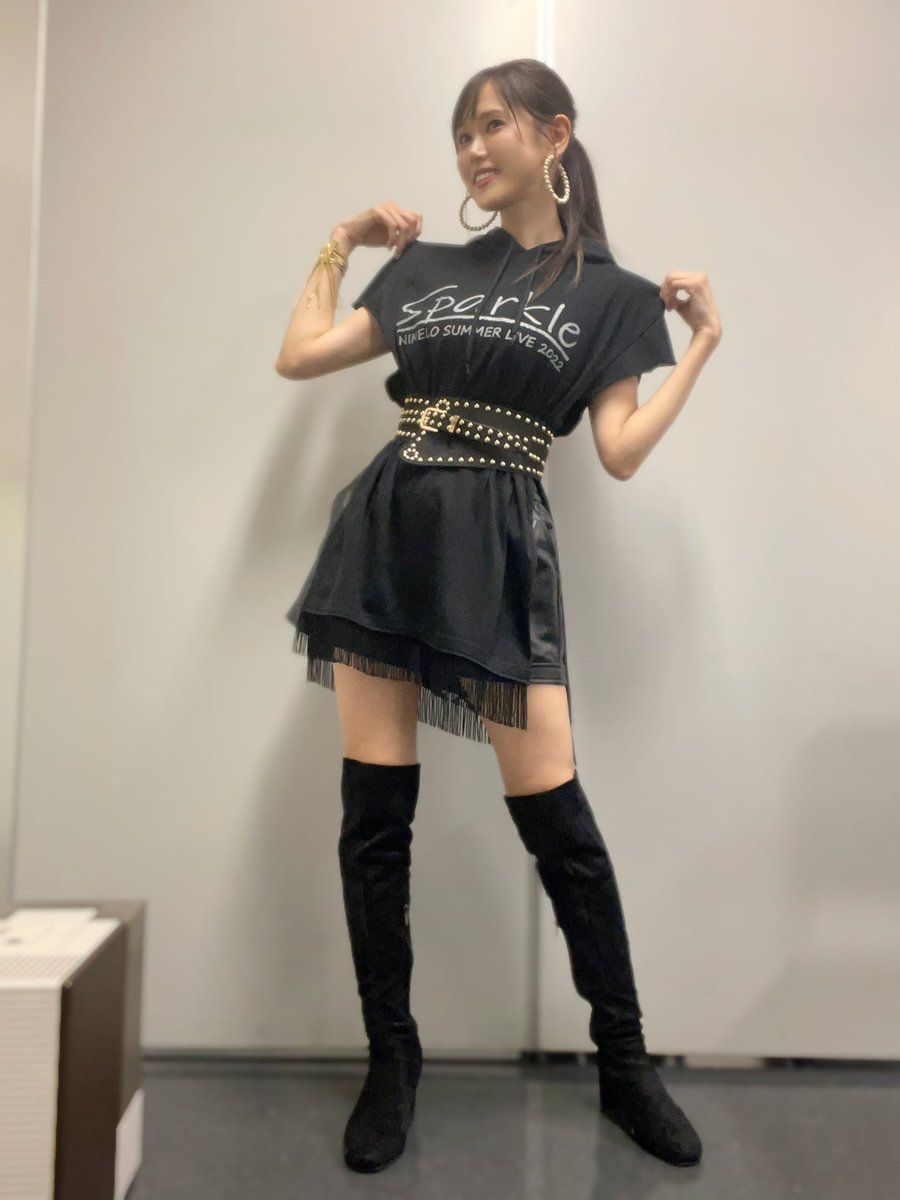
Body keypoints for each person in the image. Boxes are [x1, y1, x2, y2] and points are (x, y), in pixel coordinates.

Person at [275, 58, 722, 1175]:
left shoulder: (614, 297)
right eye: (461, 133)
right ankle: (393, 1059)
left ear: (554, 134)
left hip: (500, 552)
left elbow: (618, 453)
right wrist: (342, 240)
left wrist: (703, 344)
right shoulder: (425, 267)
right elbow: (298, 356)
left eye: (492, 126)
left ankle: (626, 1065)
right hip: (386, 539)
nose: (472, 149)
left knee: (559, 823)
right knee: (375, 820)